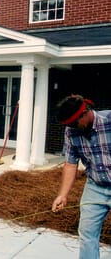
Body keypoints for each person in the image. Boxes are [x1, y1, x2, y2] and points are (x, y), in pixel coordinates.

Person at [52, 94, 111, 259]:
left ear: (85, 112)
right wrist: (62, 195)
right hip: (95, 187)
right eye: (68, 124)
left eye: (73, 123)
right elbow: (71, 164)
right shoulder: (71, 131)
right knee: (87, 235)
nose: (71, 127)